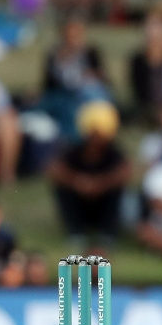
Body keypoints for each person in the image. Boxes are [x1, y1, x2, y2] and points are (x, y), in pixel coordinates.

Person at [47, 100, 131, 246]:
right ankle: (76, 232)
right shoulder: (73, 151)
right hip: (79, 203)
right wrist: (77, 182)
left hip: (103, 205)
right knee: (62, 188)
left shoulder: (114, 154)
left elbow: (125, 172)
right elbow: (54, 170)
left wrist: (99, 184)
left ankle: (107, 233)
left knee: (116, 190)